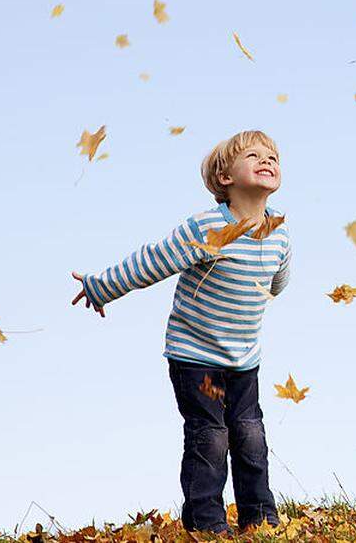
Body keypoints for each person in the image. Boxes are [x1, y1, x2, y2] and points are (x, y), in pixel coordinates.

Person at [70, 130, 289, 535]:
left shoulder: (278, 231)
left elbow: (278, 278)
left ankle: (260, 518)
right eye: (254, 155)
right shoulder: (208, 228)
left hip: (244, 359)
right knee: (211, 437)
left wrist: (264, 288)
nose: (268, 160)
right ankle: (206, 522)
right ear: (224, 177)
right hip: (195, 357)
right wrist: (102, 285)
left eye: (273, 156)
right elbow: (156, 259)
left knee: (250, 435)